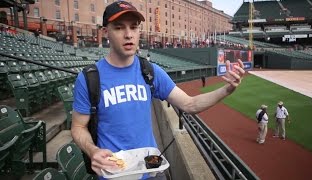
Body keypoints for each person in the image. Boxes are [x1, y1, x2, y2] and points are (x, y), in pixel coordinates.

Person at [71, 1, 245, 178]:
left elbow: (190, 104)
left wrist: (226, 90)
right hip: (113, 172)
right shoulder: (89, 78)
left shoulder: (150, 71)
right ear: (105, 32)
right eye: (119, 27)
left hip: (151, 170)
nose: (128, 34)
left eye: (134, 27)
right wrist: (92, 150)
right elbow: (78, 126)